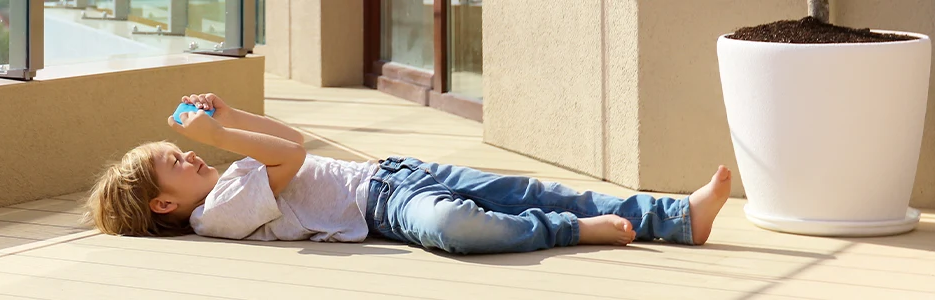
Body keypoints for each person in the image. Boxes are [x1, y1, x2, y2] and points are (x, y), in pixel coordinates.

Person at [83, 93, 733, 254]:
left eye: (182, 148)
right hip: (384, 208)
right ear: (166, 206)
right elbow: (294, 159)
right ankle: (576, 230)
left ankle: (677, 217)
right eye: (176, 161)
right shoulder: (217, 214)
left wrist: (229, 116)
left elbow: (288, 140)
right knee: (453, 226)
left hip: (397, 170)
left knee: (525, 187)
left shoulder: (228, 177)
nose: (190, 154)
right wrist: (223, 134)